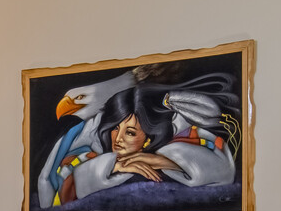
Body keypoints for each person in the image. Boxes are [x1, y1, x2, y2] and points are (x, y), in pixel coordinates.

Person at [59, 85, 234, 203]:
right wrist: (113, 166)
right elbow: (63, 190)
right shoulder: (90, 156)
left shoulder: (180, 148)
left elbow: (222, 172)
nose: (118, 138)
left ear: (149, 138)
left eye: (130, 132)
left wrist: (165, 162)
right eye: (115, 128)